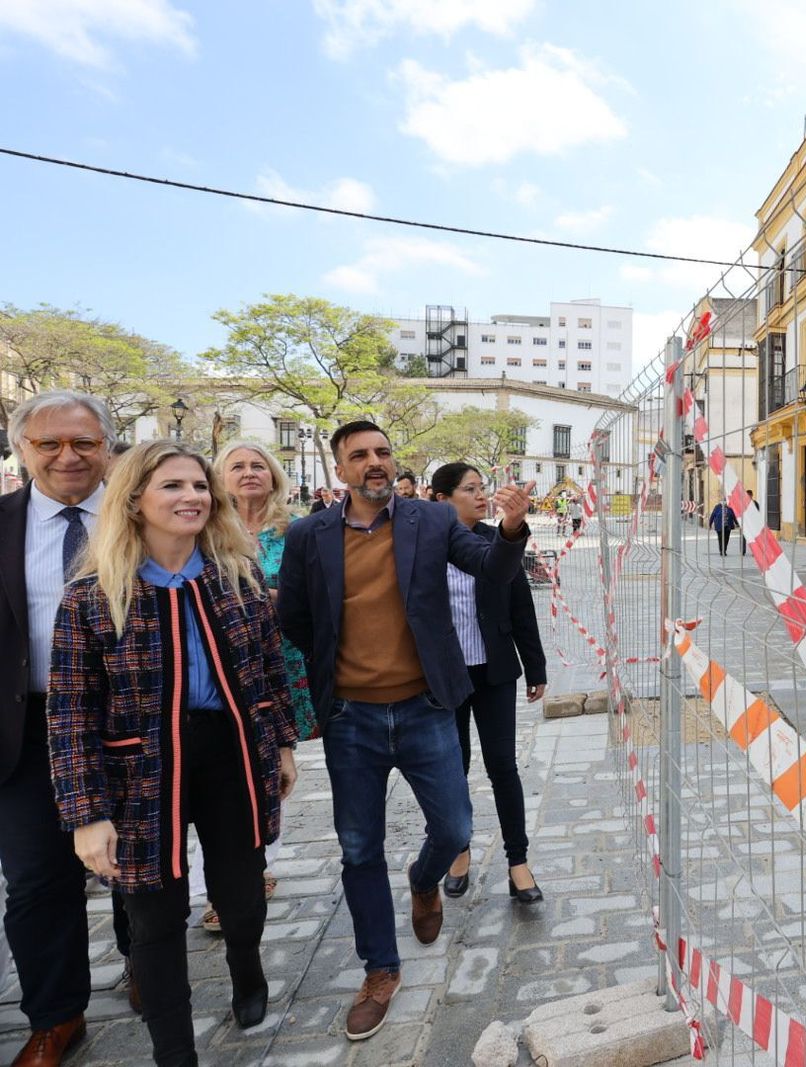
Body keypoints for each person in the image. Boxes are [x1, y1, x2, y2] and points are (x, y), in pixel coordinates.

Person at [277, 419, 533, 1042]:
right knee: (359, 848)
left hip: (425, 707)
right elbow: (295, 618)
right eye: (360, 454)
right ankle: (380, 970)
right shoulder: (308, 535)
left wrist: (510, 528)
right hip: (351, 718)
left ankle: (423, 881)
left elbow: (490, 568)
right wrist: (342, 670)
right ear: (340, 469)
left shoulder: (432, 520)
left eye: (384, 452)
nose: (375, 462)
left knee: (455, 828)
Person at [47, 440, 299, 1067]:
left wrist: (282, 743)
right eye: (173, 486)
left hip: (232, 753)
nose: (192, 497)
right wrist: (86, 814)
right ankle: (174, 1049)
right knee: (154, 915)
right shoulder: (90, 596)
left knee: (241, 891)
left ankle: (246, 967)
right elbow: (69, 711)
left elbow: (270, 669)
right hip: (138, 768)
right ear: (134, 501)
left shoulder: (236, 577)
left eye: (199, 486)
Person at [0, 391, 112, 1066]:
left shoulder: (142, 515)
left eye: (83, 442)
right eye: (49, 443)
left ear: (106, 447)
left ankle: (148, 967)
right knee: (36, 881)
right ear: (23, 448)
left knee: (138, 867)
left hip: (127, 724)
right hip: (24, 732)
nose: (67, 456)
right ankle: (56, 1015)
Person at [192, 441, 317, 935]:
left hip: (285, 660)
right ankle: (223, 880)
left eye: (258, 465)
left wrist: (267, 597)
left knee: (271, 766)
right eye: (237, 466)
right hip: (224, 666)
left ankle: (257, 864)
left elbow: (317, 592)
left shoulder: (297, 530)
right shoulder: (205, 529)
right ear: (219, 477)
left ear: (274, 475)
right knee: (224, 769)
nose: (249, 473)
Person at [427, 464, 548, 904]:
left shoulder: (498, 543)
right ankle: (459, 850)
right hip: (445, 678)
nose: (481, 496)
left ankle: (518, 861)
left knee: (503, 767)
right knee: (452, 769)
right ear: (441, 499)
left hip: (494, 672)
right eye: (469, 489)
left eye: (483, 488)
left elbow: (521, 608)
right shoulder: (422, 548)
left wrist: (535, 668)